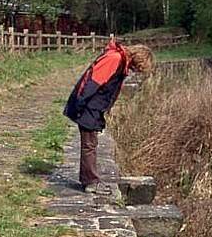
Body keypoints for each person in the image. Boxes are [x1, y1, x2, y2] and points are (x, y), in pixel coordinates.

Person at [63, 39, 154, 194]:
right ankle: (90, 182)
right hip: (88, 106)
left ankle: (90, 179)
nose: (136, 71)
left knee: (91, 142)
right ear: (138, 59)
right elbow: (93, 83)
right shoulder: (115, 59)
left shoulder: (120, 61)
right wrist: (81, 106)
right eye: (138, 68)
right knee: (89, 144)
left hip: (92, 107)